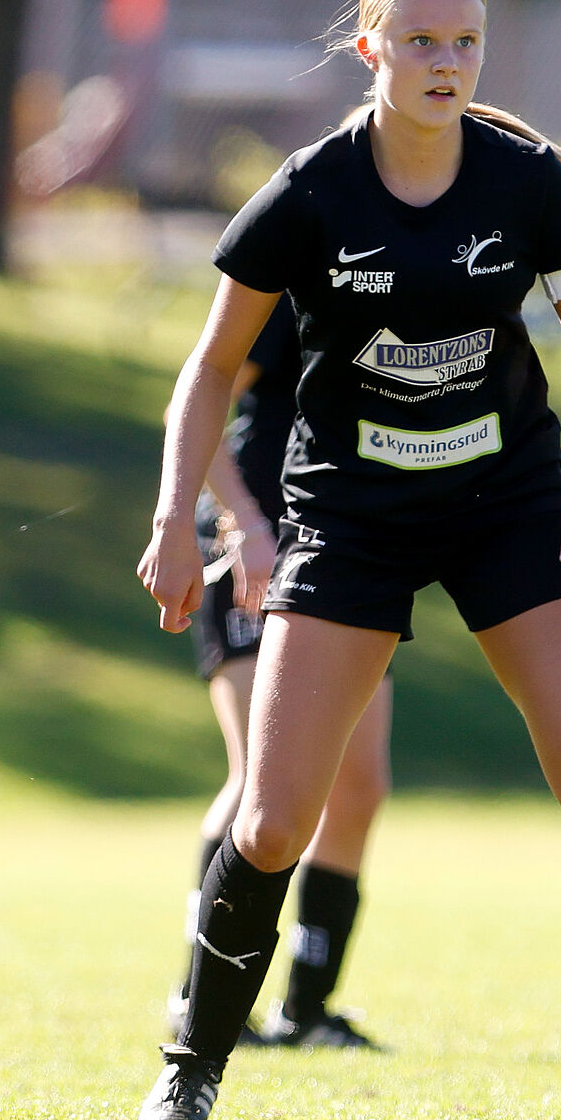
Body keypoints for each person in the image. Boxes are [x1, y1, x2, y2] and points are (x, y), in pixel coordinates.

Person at [135, 0, 561, 1120]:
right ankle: (191, 1060)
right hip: (350, 519)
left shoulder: (527, 184)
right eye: (421, 41)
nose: (446, 62)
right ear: (369, 47)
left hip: (508, 507)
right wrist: (179, 517)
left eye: (465, 42)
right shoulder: (312, 188)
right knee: (274, 817)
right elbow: (210, 369)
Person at [169, 302, 391, 1049]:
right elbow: (198, 404)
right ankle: (195, 992)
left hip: (349, 548)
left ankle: (306, 1008)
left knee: (358, 783)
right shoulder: (292, 274)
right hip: (256, 549)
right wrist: (245, 523)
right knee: (259, 779)